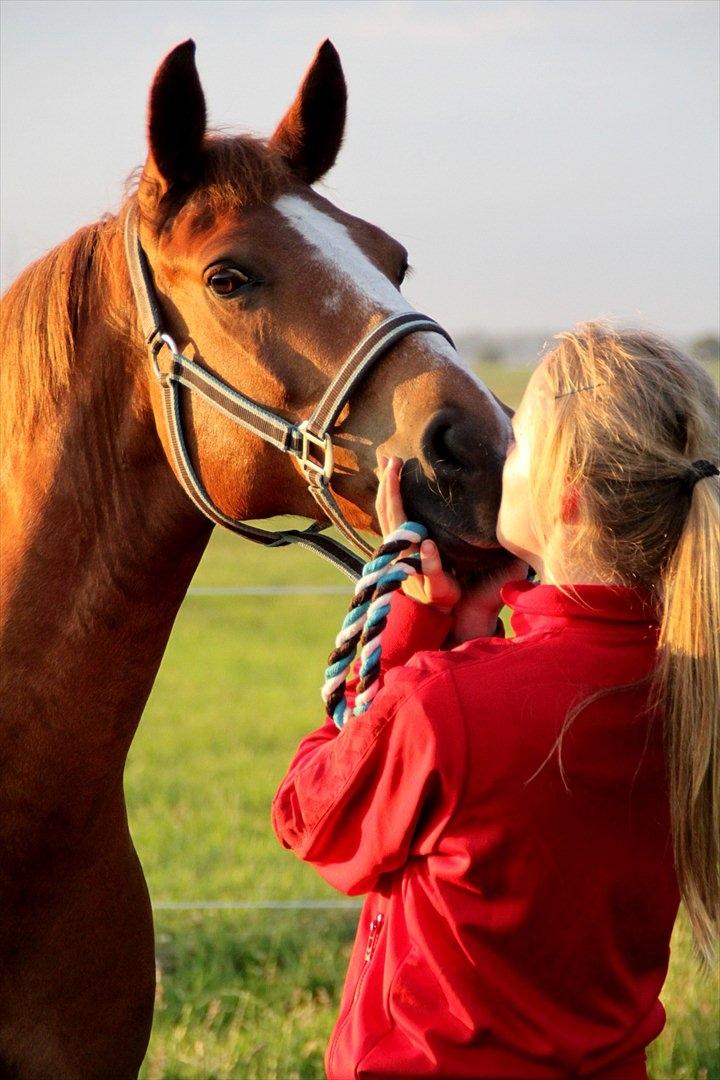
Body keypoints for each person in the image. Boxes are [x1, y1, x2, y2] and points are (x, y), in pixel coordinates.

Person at [272, 323, 719, 1079]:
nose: (500, 455)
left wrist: (412, 628)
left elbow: (309, 817)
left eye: (518, 445)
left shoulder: (444, 705)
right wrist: (472, 637)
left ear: (566, 499)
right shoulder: (694, 688)